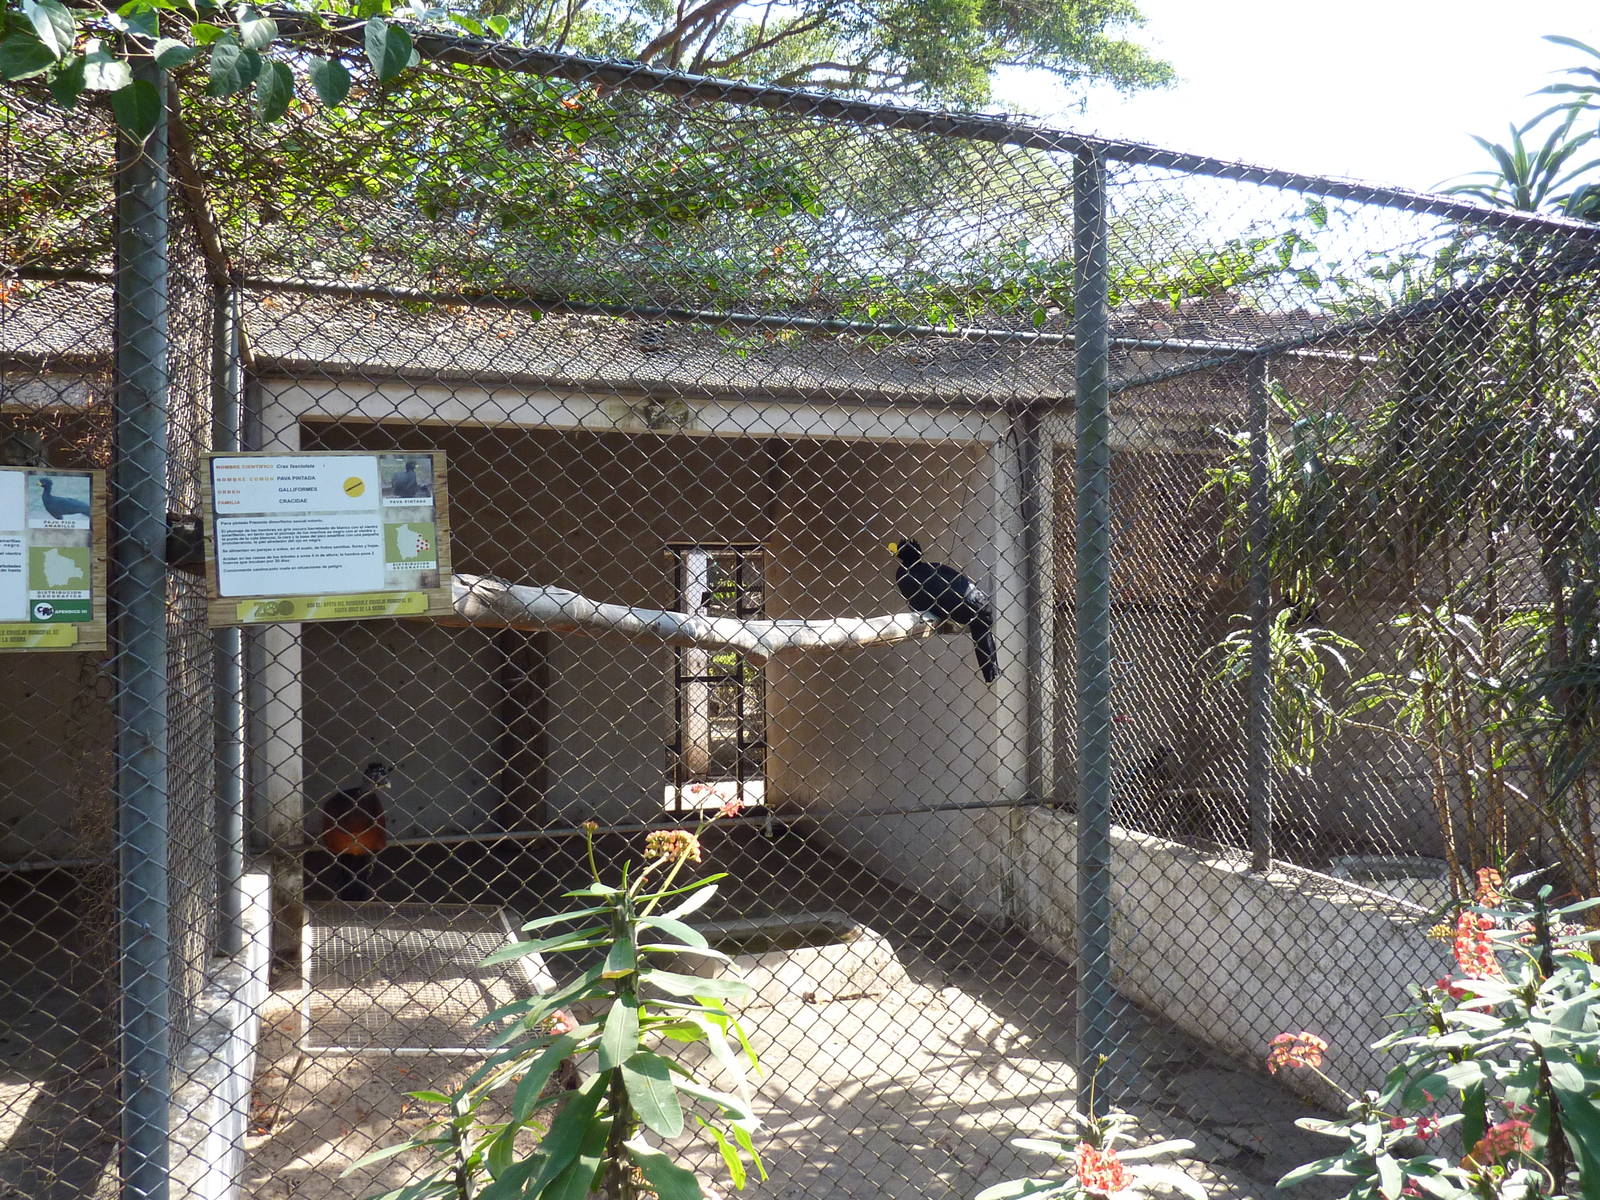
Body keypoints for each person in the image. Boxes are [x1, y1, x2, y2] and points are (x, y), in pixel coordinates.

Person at [318, 762, 391, 901]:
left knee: (360, 874)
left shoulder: (372, 804)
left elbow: (379, 832)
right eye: (375, 777)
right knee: (345, 872)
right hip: (340, 845)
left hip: (365, 846)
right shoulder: (336, 804)